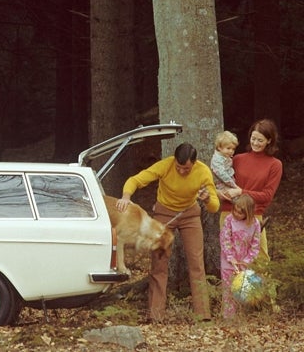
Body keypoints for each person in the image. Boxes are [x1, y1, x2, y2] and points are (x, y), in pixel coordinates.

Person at [116, 142, 219, 322]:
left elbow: (214, 206)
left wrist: (208, 199)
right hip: (164, 214)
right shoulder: (166, 165)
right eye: (179, 167)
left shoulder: (203, 172)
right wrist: (126, 196)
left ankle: (203, 315)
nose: (181, 171)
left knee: (196, 262)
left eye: (186, 169)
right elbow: (136, 179)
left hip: (190, 215)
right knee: (159, 262)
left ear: (193, 164)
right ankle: (156, 315)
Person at [219, 119, 283, 265]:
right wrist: (219, 193)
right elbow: (222, 182)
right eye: (253, 138)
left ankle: (260, 289)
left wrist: (240, 192)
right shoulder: (237, 159)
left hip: (254, 215)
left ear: (269, 140)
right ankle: (231, 288)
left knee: (259, 259)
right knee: (230, 258)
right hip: (229, 213)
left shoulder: (275, 165)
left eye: (260, 140)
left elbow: (266, 196)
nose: (255, 143)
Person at [220, 194, 260, 319]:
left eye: (240, 213)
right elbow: (225, 239)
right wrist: (231, 257)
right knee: (228, 289)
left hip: (244, 263)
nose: (236, 214)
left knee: (243, 289)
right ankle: (229, 317)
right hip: (229, 261)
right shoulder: (229, 219)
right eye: (235, 210)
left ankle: (242, 315)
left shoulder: (255, 223)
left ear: (248, 213)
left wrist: (247, 260)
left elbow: (255, 244)